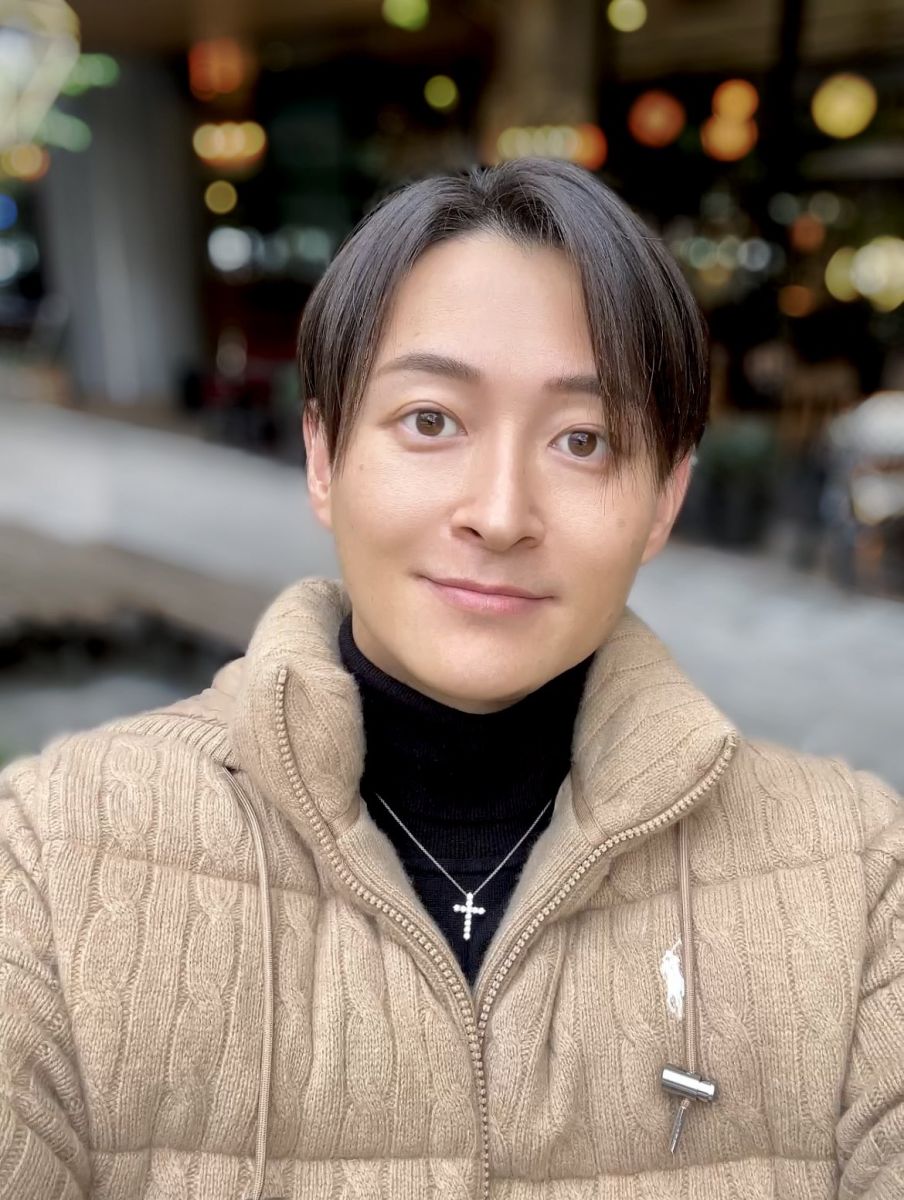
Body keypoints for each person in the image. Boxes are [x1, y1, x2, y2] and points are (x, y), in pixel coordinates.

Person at [0, 158, 901, 1200]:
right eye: (430, 420)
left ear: (664, 499)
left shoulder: (857, 880)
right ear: (324, 455)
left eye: (583, 440)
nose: (500, 513)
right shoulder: (55, 855)